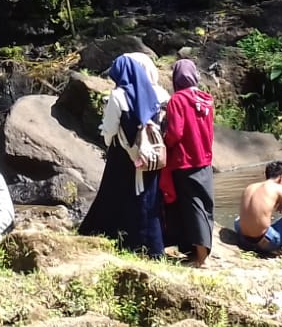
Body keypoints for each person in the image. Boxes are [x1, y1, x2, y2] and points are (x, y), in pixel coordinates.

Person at [78, 52, 169, 257]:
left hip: (123, 156)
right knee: (149, 198)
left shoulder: (118, 96)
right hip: (149, 157)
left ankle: (121, 240)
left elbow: (109, 129)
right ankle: (153, 247)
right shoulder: (156, 94)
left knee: (119, 196)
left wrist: (110, 142)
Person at [161, 59, 215, 267]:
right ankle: (199, 253)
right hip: (205, 161)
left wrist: (164, 142)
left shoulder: (177, 100)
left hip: (184, 161)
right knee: (204, 205)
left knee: (192, 206)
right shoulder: (206, 98)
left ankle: (200, 259)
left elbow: (175, 132)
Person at [234, 161, 282, 256]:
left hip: (243, 238)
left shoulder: (251, 187)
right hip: (263, 243)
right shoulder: (278, 188)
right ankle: (271, 249)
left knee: (238, 220)